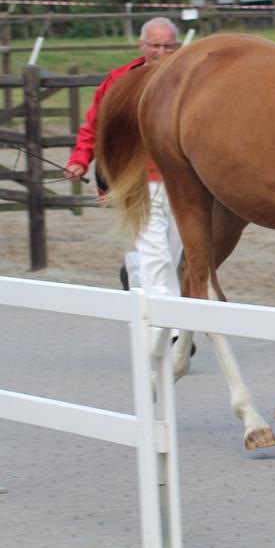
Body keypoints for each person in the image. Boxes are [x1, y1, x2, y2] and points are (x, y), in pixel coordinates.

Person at [66, 18, 189, 339]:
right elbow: (95, 126)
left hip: (181, 181)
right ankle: (168, 334)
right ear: (142, 45)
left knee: (172, 256)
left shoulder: (189, 81)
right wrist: (80, 160)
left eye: (168, 46)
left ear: (178, 47)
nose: (161, 52)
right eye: (155, 45)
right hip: (136, 180)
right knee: (156, 254)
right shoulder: (120, 81)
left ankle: (144, 304)